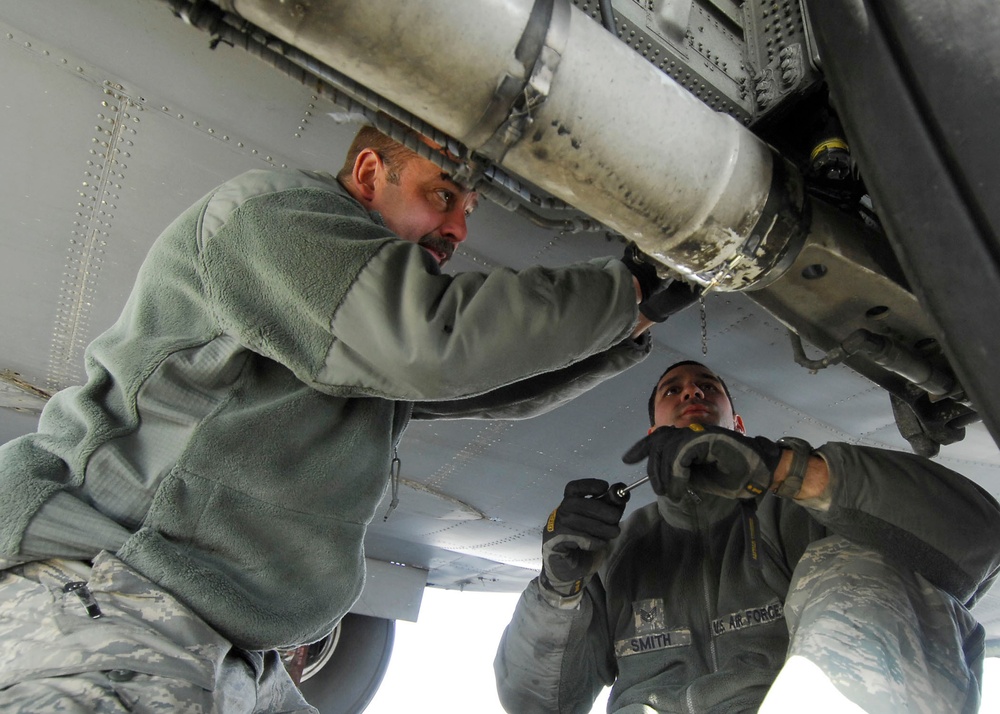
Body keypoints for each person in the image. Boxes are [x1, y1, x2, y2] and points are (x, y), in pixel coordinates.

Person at [0, 124, 699, 711]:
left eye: (466, 209)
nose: (457, 227)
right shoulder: (275, 216)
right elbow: (432, 345)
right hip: (108, 588)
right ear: (369, 172)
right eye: (442, 195)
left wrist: (635, 318)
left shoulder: (347, 342)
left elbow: (479, 384)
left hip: (222, 638)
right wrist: (628, 283)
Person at [495, 360, 1000, 713]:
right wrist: (556, 590)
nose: (690, 392)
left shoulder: (801, 512)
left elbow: (978, 539)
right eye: (673, 391)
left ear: (736, 424)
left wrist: (789, 470)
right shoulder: (622, 549)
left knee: (862, 559)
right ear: (654, 437)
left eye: (707, 388)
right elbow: (539, 705)